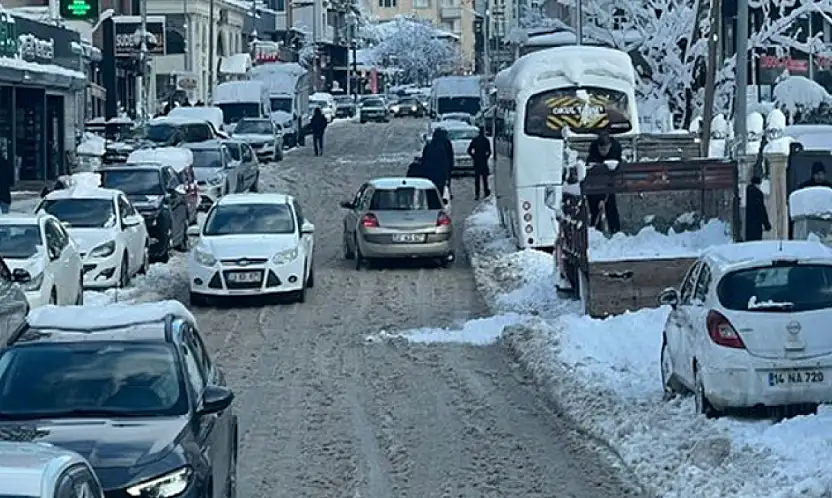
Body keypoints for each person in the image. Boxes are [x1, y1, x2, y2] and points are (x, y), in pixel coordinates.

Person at [586, 129, 622, 233]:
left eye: (605, 148)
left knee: (611, 206)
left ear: (610, 145)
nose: (603, 152)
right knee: (594, 207)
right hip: (594, 185)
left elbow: (616, 169)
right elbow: (591, 172)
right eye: (601, 149)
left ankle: (615, 230)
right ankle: (596, 231)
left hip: (609, 183)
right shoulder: (593, 152)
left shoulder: (615, 149)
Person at [420, 128, 452, 193]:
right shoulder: (442, 148)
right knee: (439, 193)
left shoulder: (428, 146)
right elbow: (445, 163)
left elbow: (423, 160)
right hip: (439, 176)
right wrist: (447, 176)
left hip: (429, 175)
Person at [467, 126, 492, 200]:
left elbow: (469, 150)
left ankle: (477, 194)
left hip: (477, 161)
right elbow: (489, 151)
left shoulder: (475, 140)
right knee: (485, 179)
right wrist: (486, 157)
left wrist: (474, 156)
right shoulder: (486, 140)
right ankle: (486, 191)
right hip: (483, 161)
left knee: (477, 179)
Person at [745, 175, 771, 241]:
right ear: (758, 184)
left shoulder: (747, 192)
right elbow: (761, 209)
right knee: (756, 242)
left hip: (748, 223)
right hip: (756, 223)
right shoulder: (758, 194)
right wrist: (766, 224)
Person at [435, 128, 454, 198]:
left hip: (438, 168)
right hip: (444, 167)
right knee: (446, 181)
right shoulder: (446, 143)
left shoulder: (431, 144)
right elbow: (450, 155)